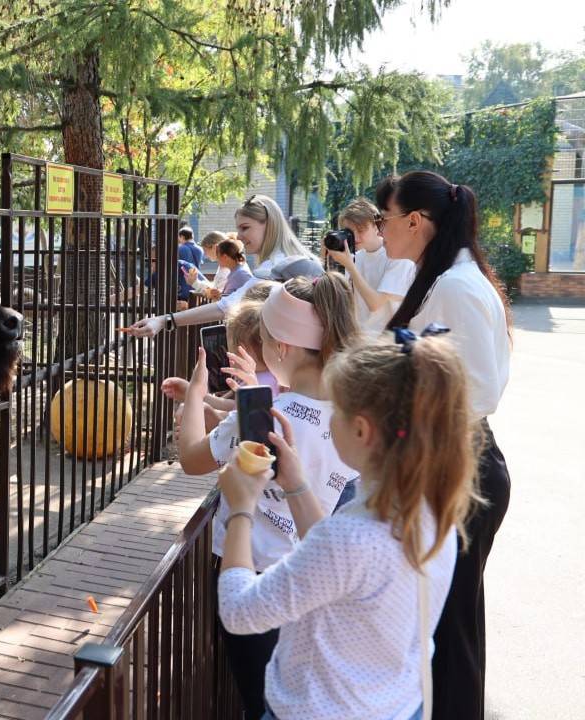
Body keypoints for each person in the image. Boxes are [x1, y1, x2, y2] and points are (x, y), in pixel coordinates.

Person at [217, 332, 480, 720]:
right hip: (394, 705)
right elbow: (340, 565)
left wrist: (241, 508)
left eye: (335, 410)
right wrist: (295, 484)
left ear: (361, 430)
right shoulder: (427, 506)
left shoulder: (353, 538)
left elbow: (240, 612)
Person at [178, 273, 361, 717]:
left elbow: (192, 459)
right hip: (315, 584)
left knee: (260, 696)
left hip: (253, 579)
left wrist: (196, 394)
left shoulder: (262, 415)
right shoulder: (355, 413)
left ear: (281, 348)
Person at [374, 170, 511, 720]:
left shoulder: (455, 285)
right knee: (445, 623)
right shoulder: (444, 277)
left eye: (385, 220)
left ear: (414, 220)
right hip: (453, 461)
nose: (381, 232)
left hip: (464, 465)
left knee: (451, 629)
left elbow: (480, 388)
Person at [121, 195, 319, 338]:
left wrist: (164, 320)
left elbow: (225, 307)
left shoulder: (273, 269)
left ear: (269, 225)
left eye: (245, 227)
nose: (239, 236)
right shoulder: (298, 260)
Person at [325, 198, 417, 332]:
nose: (355, 237)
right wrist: (329, 261)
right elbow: (340, 303)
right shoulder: (354, 258)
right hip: (358, 339)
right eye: (349, 232)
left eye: (361, 230)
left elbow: (377, 306)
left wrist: (350, 267)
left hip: (386, 343)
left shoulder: (398, 257)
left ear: (377, 226)